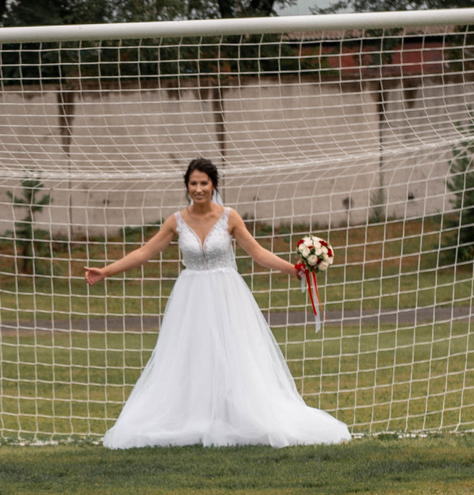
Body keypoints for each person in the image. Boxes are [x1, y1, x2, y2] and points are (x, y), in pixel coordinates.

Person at [80, 157, 350, 449]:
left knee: (234, 353)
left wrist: (294, 268)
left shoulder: (229, 217)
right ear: (187, 186)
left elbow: (258, 252)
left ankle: (236, 416)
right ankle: (195, 415)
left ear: (213, 185)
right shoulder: (176, 221)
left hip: (226, 295)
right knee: (192, 356)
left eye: (203, 183)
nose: (198, 189)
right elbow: (146, 252)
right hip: (191, 297)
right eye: (193, 183)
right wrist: (106, 271)